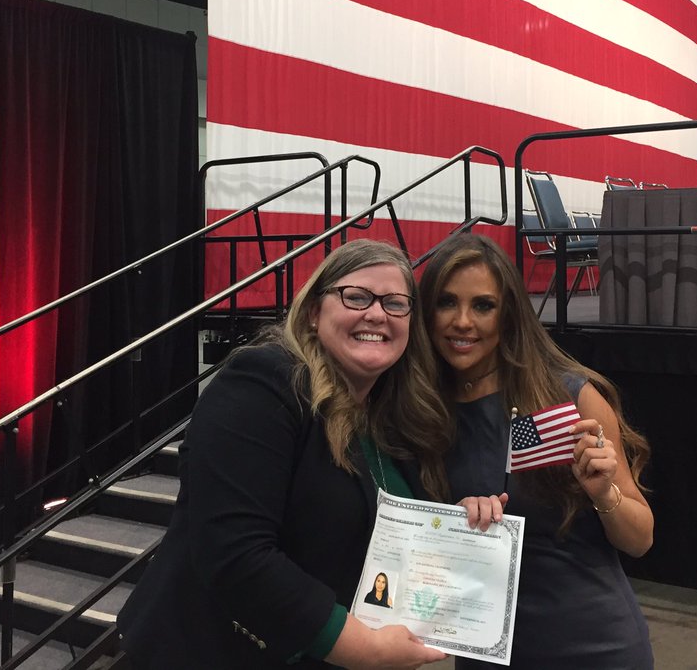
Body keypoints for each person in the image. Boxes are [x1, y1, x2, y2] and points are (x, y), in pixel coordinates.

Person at [118, 239, 450, 669]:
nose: (376, 314)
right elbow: (236, 554)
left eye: (395, 303)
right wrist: (364, 650)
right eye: (356, 297)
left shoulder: (394, 414)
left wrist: (464, 518)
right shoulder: (262, 383)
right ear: (313, 312)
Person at [418, 233, 655, 669]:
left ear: (508, 314)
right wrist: (453, 523)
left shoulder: (569, 398)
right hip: (485, 651)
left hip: (594, 649)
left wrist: (605, 494)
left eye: (483, 306)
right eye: (446, 302)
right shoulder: (419, 410)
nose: (462, 321)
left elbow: (640, 540)